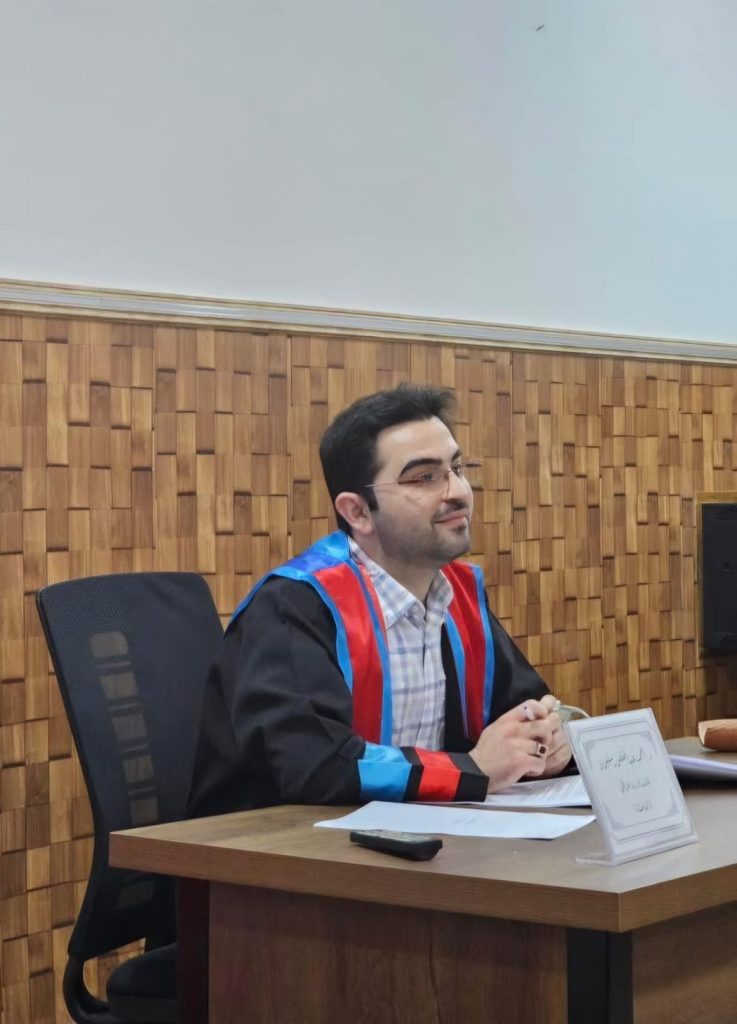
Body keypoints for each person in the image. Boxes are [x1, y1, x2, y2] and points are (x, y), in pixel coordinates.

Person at [188, 384, 571, 816]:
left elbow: (522, 709)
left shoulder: (458, 595)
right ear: (357, 512)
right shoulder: (295, 606)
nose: (458, 491)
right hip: (272, 849)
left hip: (423, 840)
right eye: (424, 477)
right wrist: (472, 770)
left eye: (458, 468)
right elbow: (317, 764)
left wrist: (547, 742)